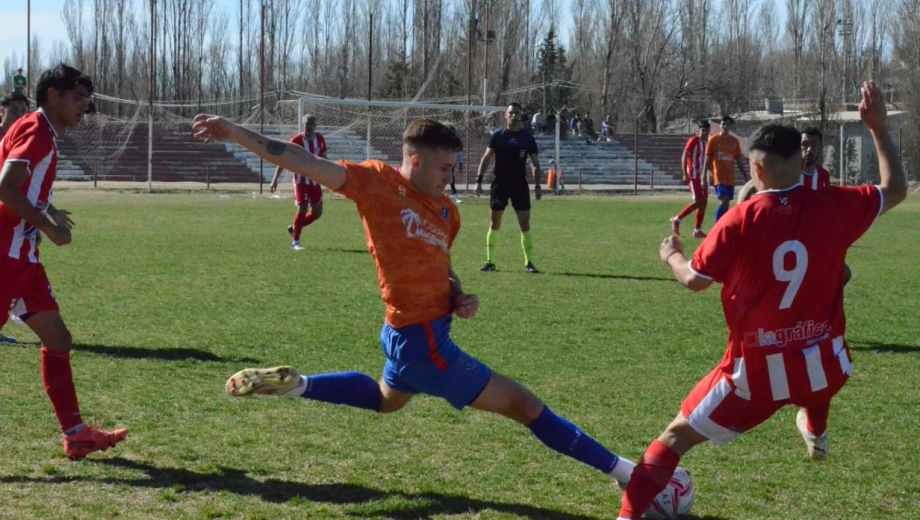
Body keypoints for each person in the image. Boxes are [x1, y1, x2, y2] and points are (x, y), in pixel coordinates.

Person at [191, 114, 664, 503]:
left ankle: (299, 386)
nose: (450, 177)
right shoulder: (374, 185)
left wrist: (457, 295)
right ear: (414, 161)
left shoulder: (447, 212)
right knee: (525, 405)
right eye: (443, 168)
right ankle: (626, 472)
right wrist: (235, 133)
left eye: (455, 169)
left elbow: (442, 264)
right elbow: (296, 157)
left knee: (385, 399)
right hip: (424, 344)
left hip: (405, 337)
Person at [617, 81, 906, 519]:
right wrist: (878, 128)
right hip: (827, 363)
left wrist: (672, 255)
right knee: (814, 380)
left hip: (756, 374)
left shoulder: (739, 219)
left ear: (754, 169)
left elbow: (695, 280)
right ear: (801, 161)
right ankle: (817, 429)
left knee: (674, 438)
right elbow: (896, 188)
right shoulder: (835, 204)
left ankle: (627, 517)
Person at [0, 64, 128, 460]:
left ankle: (76, 435)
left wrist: (47, 208)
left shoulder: (38, 130)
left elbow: (18, 185)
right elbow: (5, 187)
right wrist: (48, 225)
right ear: (52, 94)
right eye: (77, 98)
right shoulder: (37, 131)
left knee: (58, 339)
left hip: (23, 259)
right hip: (5, 257)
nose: (84, 107)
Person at [475, 103, 542, 273]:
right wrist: (479, 180)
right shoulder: (498, 136)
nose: (514, 115)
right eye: (511, 112)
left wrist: (538, 185)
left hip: (520, 185)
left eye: (517, 113)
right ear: (505, 115)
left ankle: (529, 262)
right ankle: (490, 261)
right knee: (495, 222)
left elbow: (535, 164)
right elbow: (486, 157)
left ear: (521, 116)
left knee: (525, 224)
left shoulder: (527, 137)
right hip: (500, 184)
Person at [269, 114, 327, 251]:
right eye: (306, 125)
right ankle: (295, 242)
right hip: (301, 180)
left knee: (317, 213)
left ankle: (294, 228)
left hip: (315, 180)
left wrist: (327, 174)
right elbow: (282, 159)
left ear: (315, 126)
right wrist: (274, 180)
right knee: (302, 208)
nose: (308, 128)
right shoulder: (296, 140)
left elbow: (324, 157)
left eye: (310, 125)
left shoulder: (320, 139)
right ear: (303, 125)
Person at [670, 120, 711, 238]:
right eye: (703, 130)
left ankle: (697, 230)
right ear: (699, 130)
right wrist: (684, 172)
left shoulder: (707, 143)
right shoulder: (693, 140)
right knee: (698, 201)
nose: (705, 132)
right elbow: (684, 155)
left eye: (706, 130)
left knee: (704, 202)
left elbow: (707, 160)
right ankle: (677, 219)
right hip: (693, 175)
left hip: (703, 176)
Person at [704, 115, 748, 222]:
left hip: (730, 177)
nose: (725, 126)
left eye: (728, 124)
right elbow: (707, 159)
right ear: (720, 125)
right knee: (724, 201)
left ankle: (721, 224)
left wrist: (745, 175)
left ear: (730, 126)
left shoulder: (734, 141)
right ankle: (717, 225)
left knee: (727, 203)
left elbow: (738, 160)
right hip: (718, 176)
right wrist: (704, 176)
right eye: (723, 123)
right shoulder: (713, 139)